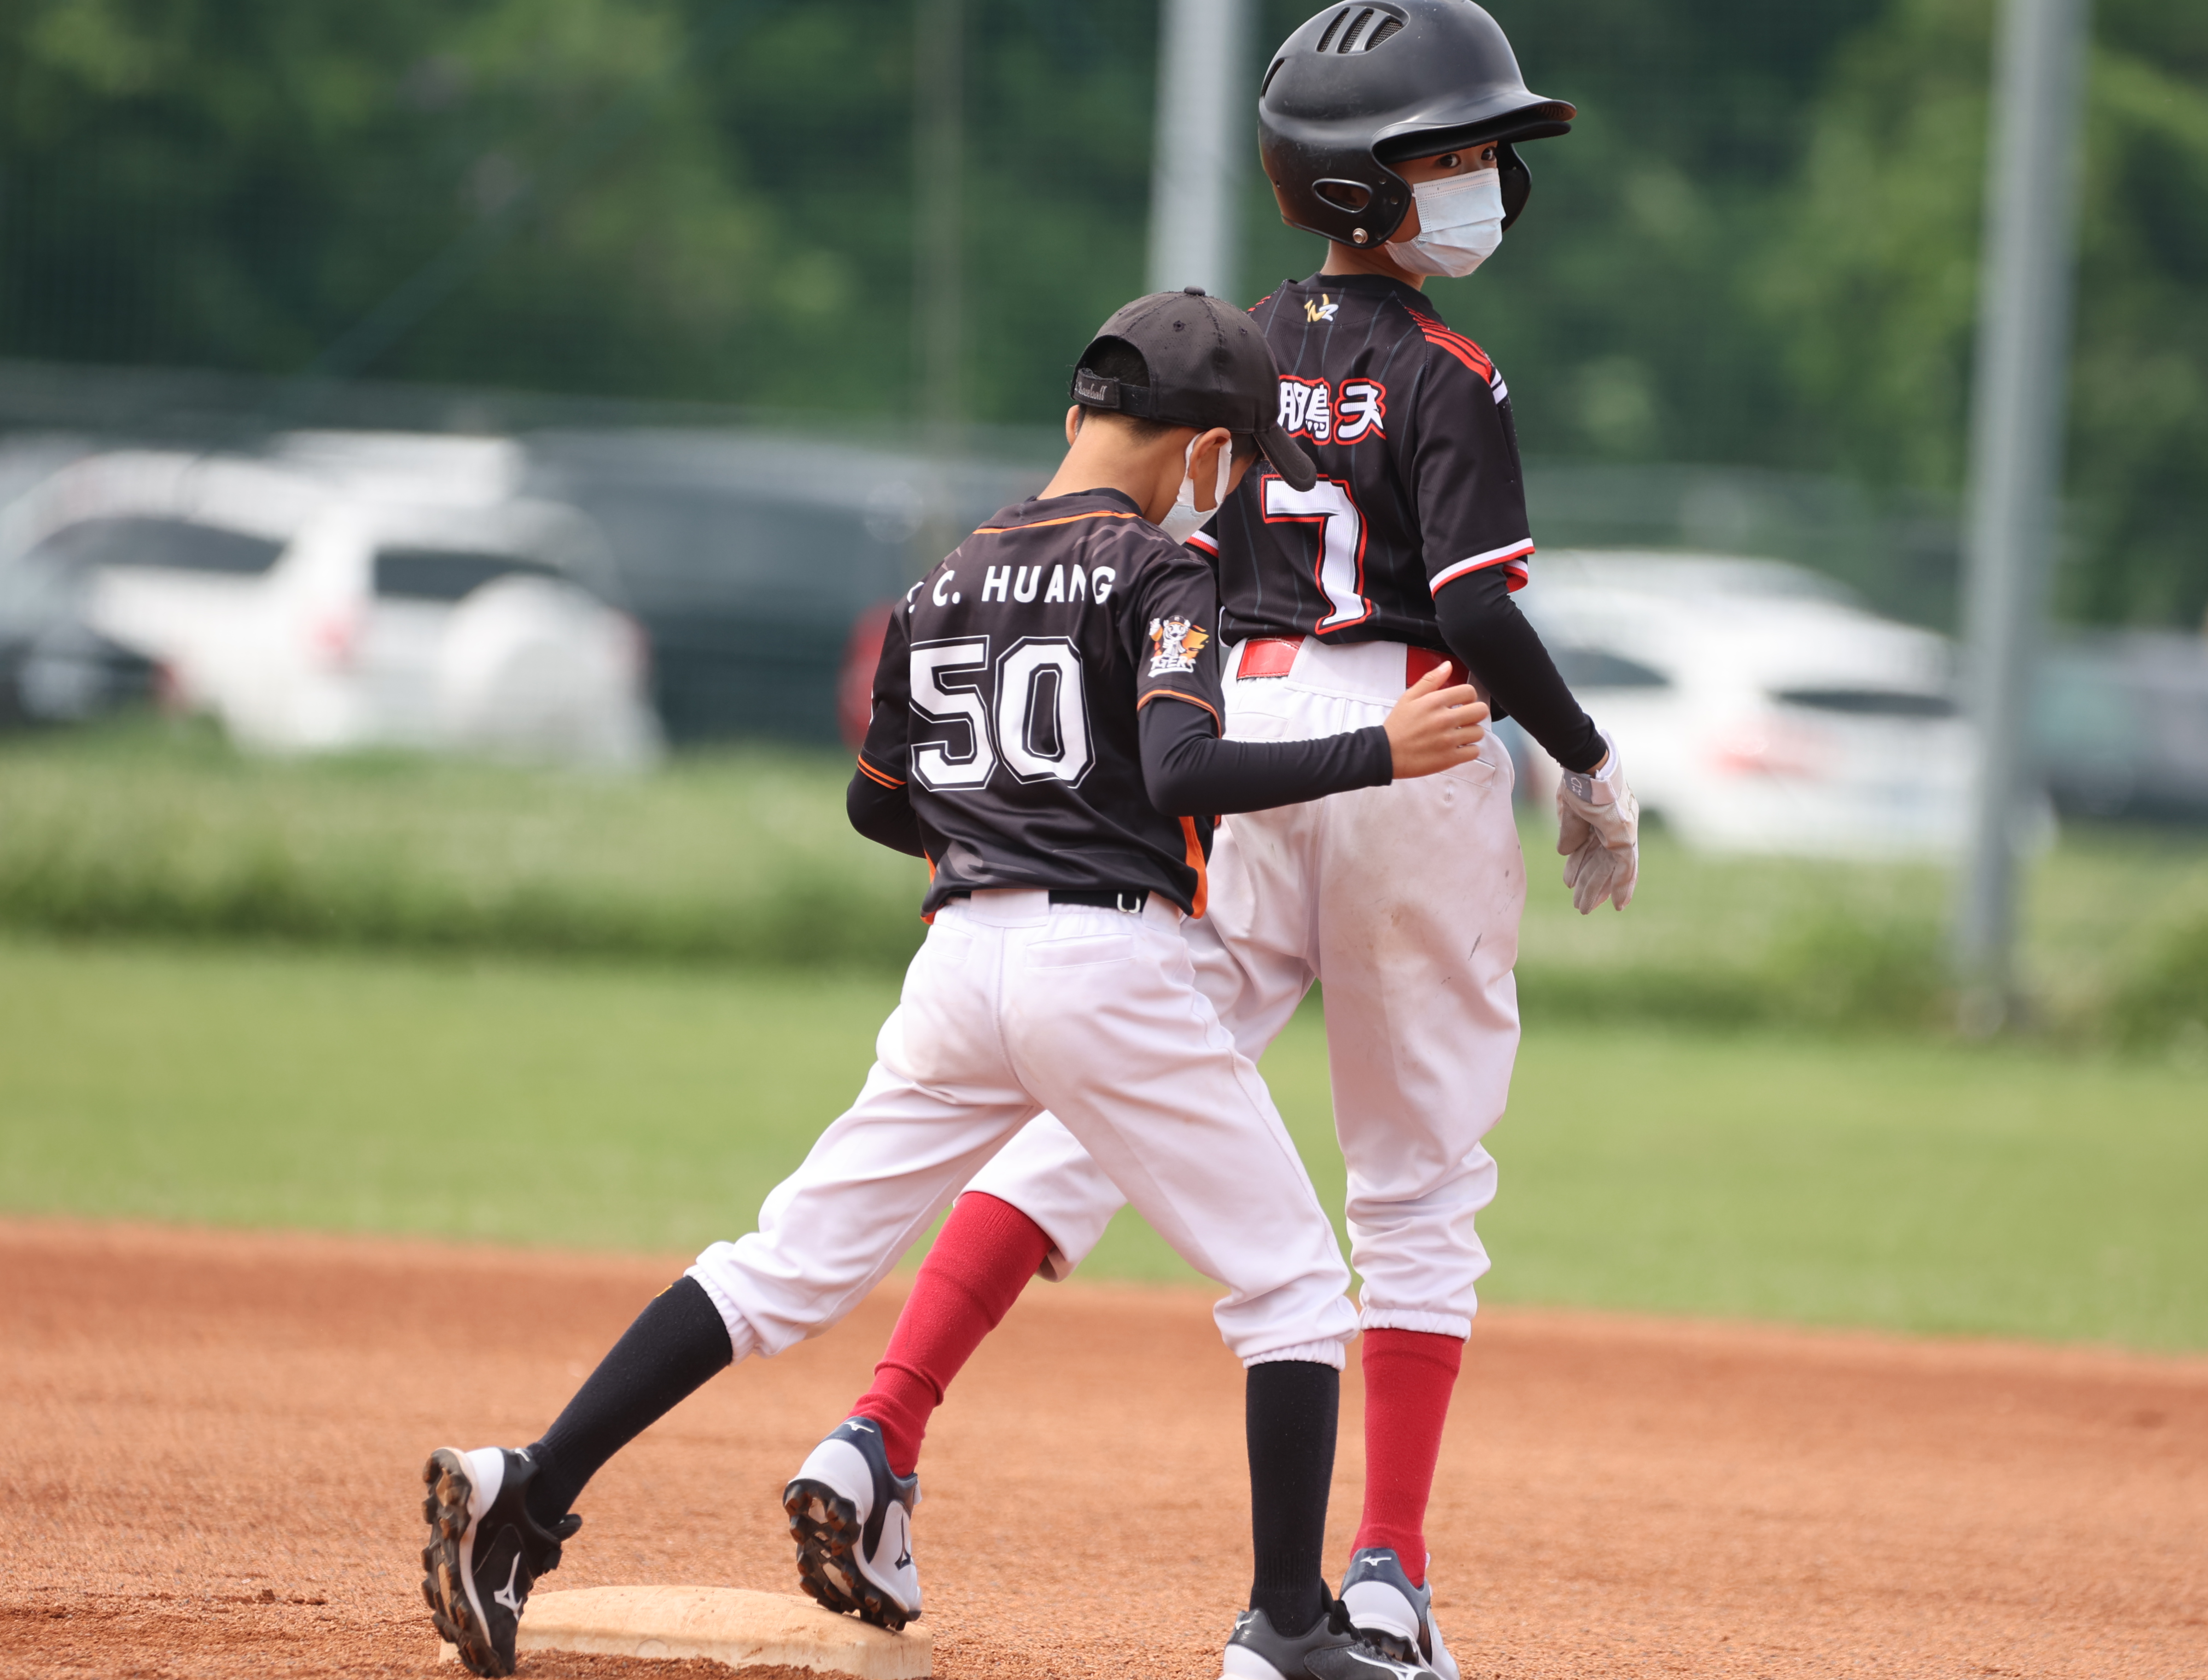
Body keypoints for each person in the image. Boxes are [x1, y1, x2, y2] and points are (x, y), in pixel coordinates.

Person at [419, 288, 1491, 1680]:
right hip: (1103, 966)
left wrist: (1002, 834)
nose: (1226, 492)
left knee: (784, 1266)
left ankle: (531, 1488)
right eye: (1231, 463)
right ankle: (1289, 1623)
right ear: (1202, 451)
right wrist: (1377, 751)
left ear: (1078, 414)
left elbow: (878, 802)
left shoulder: (946, 577)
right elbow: (1183, 770)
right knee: (1292, 1289)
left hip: (957, 964)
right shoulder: (1161, 573)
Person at [833, 7, 1640, 1680]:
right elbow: (1481, 615)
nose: (1487, 178)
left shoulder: (1241, 354)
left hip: (1243, 739)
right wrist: (1584, 759)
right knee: (1417, 1177)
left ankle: (881, 1429)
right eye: (1452, 150)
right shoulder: (1453, 371)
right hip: (1408, 740)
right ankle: (1385, 1582)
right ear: (1358, 181)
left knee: (1106, 1095)